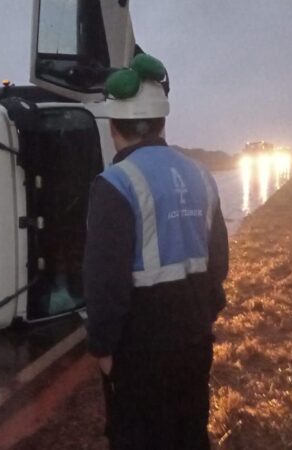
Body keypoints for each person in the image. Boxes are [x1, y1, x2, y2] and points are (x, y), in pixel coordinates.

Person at [84, 54, 229, 450]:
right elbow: (219, 264)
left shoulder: (114, 183)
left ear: (114, 127)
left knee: (137, 437)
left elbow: (104, 281)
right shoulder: (201, 174)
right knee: (189, 431)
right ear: (162, 123)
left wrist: (103, 348)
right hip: (195, 339)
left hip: (140, 349)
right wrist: (202, 318)